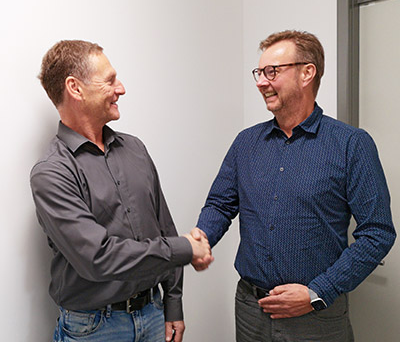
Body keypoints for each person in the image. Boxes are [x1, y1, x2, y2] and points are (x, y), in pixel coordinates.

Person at [193, 30, 396, 341]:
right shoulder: (246, 143)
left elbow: (378, 233)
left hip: (317, 315)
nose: (261, 82)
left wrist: (318, 291)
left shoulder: (350, 144)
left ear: (306, 73)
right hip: (251, 309)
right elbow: (220, 204)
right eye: (259, 72)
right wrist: (202, 237)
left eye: (272, 71)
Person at [30, 40, 213, 342]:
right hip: (95, 328)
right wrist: (184, 249)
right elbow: (98, 258)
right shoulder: (52, 171)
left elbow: (163, 228)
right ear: (75, 89)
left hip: (154, 315)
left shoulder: (135, 149)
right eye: (110, 80)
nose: (122, 88)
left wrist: (173, 302)